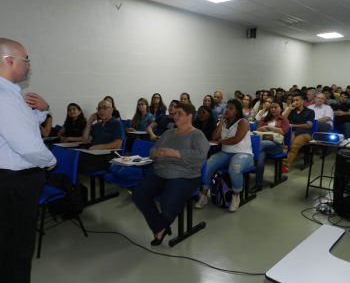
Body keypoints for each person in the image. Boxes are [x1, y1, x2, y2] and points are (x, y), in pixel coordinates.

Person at [0, 38, 56, 283]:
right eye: (26, 59)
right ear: (9, 61)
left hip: (11, 180)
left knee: (9, 243)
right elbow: (27, 145)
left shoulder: (11, 94)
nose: (29, 65)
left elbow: (25, 125)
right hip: (15, 182)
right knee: (18, 246)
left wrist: (43, 111)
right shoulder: (3, 98)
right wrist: (50, 160)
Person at [132, 103, 208, 245]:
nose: (175, 116)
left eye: (179, 113)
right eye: (174, 113)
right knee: (139, 193)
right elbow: (154, 150)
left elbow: (200, 156)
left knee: (167, 201)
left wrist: (173, 153)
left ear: (189, 116)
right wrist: (156, 153)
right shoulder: (168, 133)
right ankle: (160, 226)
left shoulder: (197, 135)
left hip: (186, 176)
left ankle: (159, 228)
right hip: (161, 173)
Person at [196, 99, 253, 212]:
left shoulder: (243, 122)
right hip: (226, 152)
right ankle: (204, 195)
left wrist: (221, 141)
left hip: (243, 153)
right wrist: (221, 122)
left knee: (234, 168)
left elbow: (236, 139)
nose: (227, 109)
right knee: (207, 165)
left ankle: (236, 196)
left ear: (237, 111)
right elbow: (214, 136)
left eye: (231, 108)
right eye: (227, 107)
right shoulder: (224, 121)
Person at [252, 100, 290, 192]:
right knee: (260, 156)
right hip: (264, 146)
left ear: (280, 109)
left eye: (275, 107)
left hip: (276, 146)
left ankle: (251, 162)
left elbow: (283, 131)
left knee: (259, 146)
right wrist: (268, 130)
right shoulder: (265, 119)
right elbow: (258, 130)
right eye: (271, 108)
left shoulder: (284, 120)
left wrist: (268, 128)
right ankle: (258, 184)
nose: (273, 109)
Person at [80, 99, 124, 172]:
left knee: (76, 161)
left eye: (104, 108)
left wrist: (98, 147)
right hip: (94, 154)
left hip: (108, 157)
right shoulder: (97, 125)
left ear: (111, 110)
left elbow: (118, 145)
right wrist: (89, 122)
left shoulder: (117, 123)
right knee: (73, 157)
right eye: (99, 108)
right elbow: (84, 140)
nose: (101, 110)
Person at [281, 93, 315, 173]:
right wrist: (289, 109)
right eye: (293, 100)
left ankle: (286, 164)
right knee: (287, 144)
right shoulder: (292, 111)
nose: (294, 102)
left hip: (305, 133)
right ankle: (282, 161)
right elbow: (283, 120)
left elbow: (308, 125)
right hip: (293, 132)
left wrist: (293, 125)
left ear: (302, 101)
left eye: (297, 100)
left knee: (294, 146)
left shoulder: (310, 111)